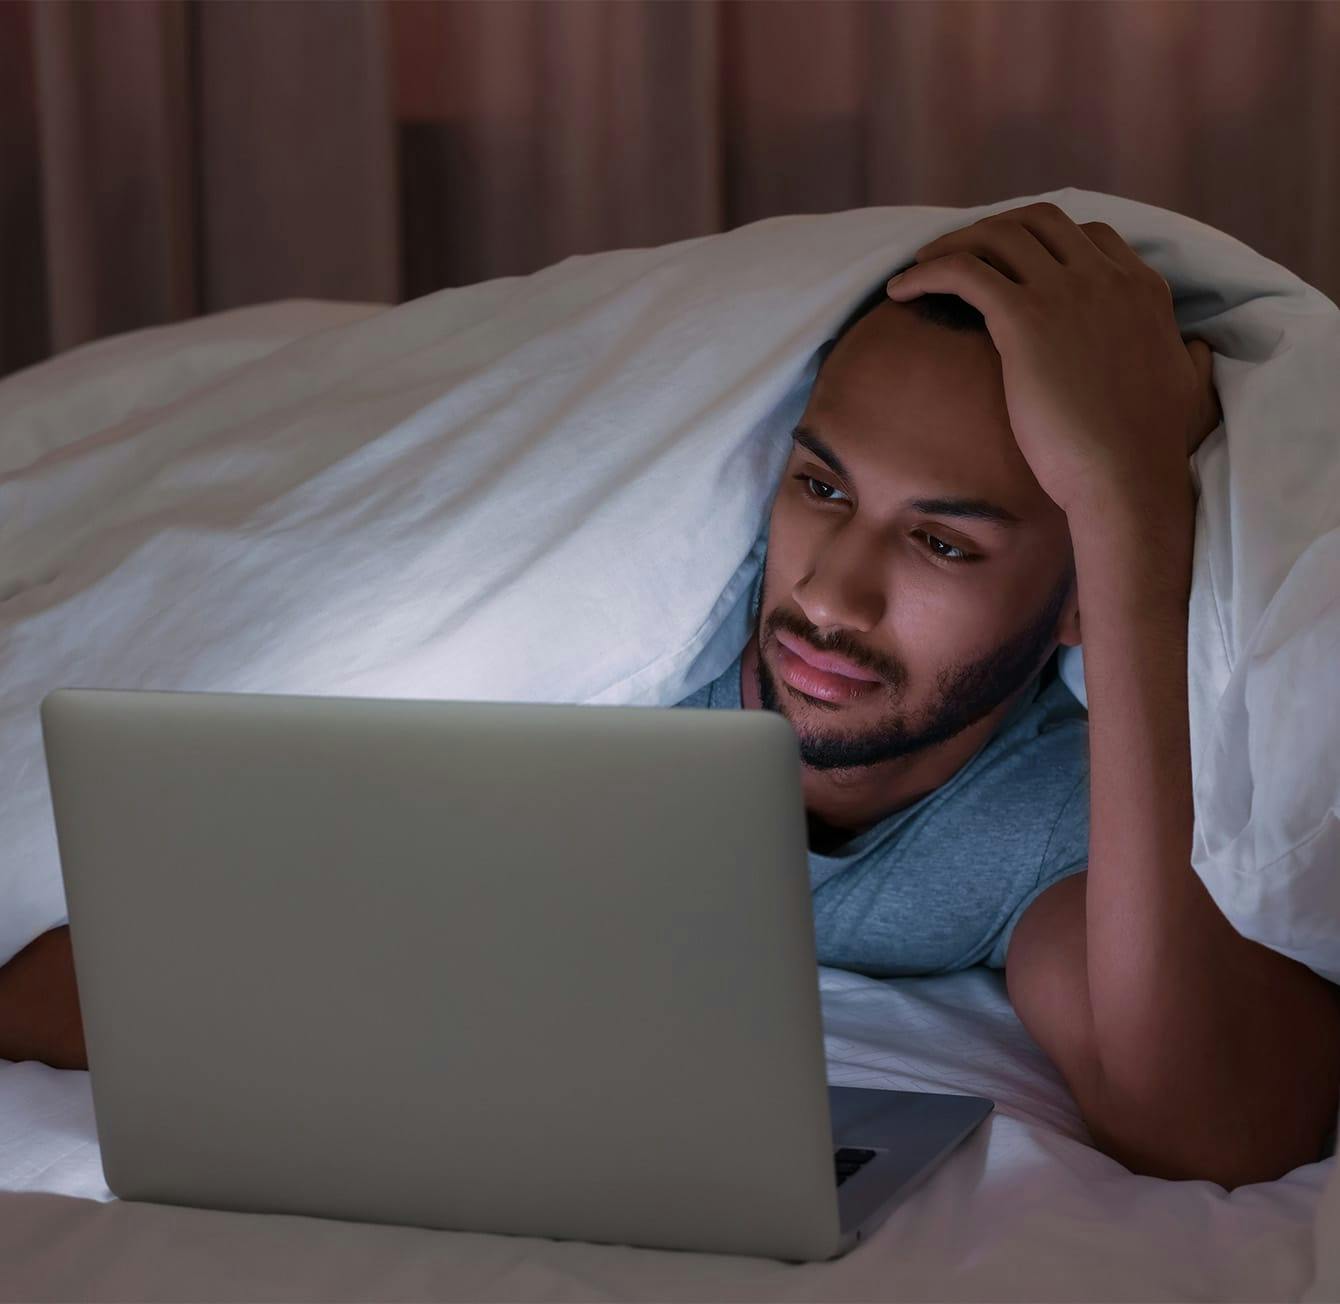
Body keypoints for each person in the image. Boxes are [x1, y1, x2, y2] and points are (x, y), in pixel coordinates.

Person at [3, 203, 1337, 1187]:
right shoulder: (615, 642)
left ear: (1073, 598)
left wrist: (1131, 518)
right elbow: (50, 983)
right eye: (821, 487)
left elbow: (1209, 1124)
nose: (833, 595)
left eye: (944, 542)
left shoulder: (1041, 819)